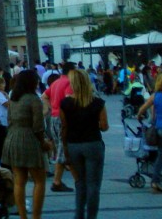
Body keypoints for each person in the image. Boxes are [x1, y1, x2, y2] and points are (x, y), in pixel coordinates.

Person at [60, 69, 108, 219]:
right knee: (93, 185)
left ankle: (78, 215)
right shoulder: (98, 103)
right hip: (93, 143)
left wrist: (65, 148)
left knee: (80, 183)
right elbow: (104, 126)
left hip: (74, 144)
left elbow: (64, 127)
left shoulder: (65, 103)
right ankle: (91, 216)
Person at [3, 70, 51, 219]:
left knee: (19, 180)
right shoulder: (33, 99)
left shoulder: (14, 98)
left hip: (13, 137)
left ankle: (23, 216)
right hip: (29, 138)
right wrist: (43, 142)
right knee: (39, 180)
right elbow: (38, 125)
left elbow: (9, 120)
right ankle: (36, 216)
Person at [43, 63, 75, 193]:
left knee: (60, 146)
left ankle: (58, 181)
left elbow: (44, 96)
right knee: (63, 148)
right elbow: (69, 100)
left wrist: (51, 108)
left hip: (54, 117)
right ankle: (75, 180)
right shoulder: (69, 83)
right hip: (63, 118)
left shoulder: (56, 83)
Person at [137, 72, 162, 194]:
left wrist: (140, 117)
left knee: (161, 155)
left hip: (160, 129)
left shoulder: (155, 96)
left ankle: (155, 181)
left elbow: (142, 109)